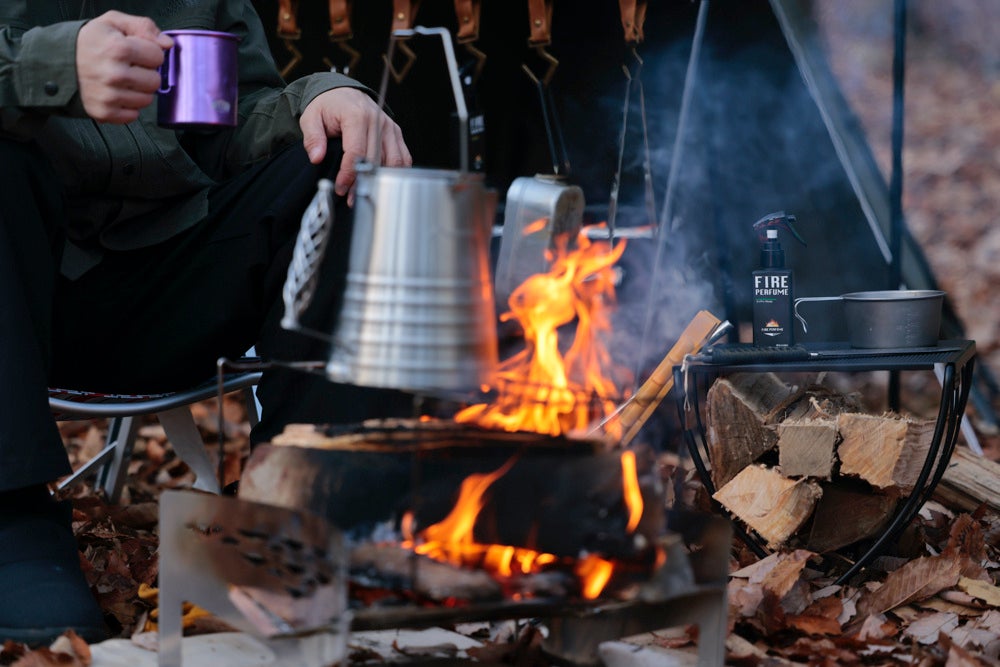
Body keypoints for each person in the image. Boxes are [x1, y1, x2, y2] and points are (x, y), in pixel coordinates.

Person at [0, 1, 415, 645]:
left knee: (344, 174)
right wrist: (46, 68)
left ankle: (314, 515)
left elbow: (228, 113)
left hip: (166, 282)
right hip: (20, 291)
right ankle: (8, 522)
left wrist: (320, 97)